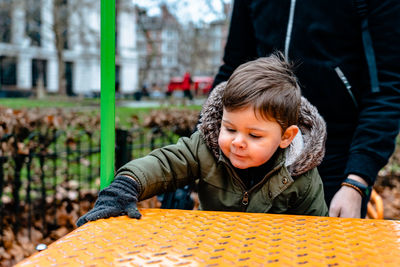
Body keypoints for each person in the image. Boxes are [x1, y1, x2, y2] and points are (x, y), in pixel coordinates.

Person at [76, 55, 328, 227]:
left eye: (254, 135)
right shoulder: (206, 148)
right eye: (229, 129)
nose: (238, 142)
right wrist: (128, 184)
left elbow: (316, 233)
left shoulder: (302, 177)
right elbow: (167, 164)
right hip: (211, 247)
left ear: (286, 137)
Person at [211, 0, 400, 218]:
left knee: (325, 251)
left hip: (335, 162)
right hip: (254, 154)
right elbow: (234, 67)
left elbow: (386, 87)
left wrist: (356, 181)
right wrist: (199, 148)